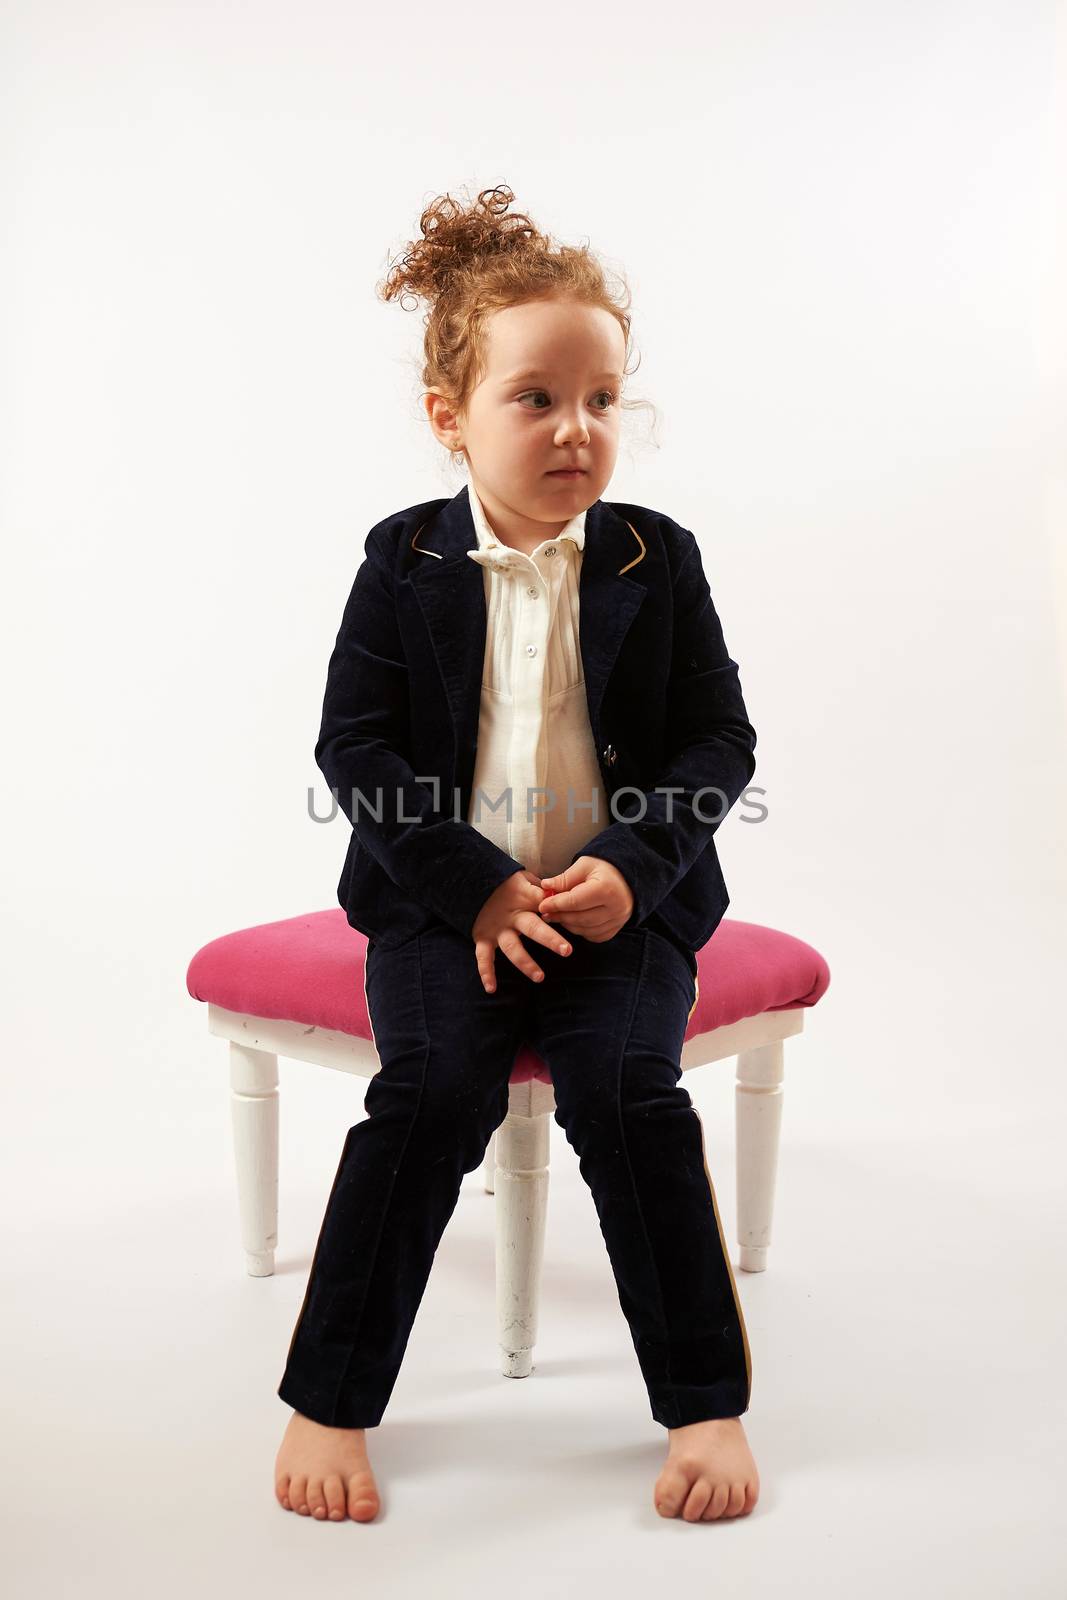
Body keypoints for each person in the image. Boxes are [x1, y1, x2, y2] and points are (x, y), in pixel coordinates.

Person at [274, 184, 760, 1525]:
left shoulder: (659, 560)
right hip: (446, 909)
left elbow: (718, 741)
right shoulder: (403, 558)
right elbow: (356, 752)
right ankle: (331, 1398)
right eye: (535, 399)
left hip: (620, 905)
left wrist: (633, 870)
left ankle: (704, 1405)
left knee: (631, 1095)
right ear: (452, 419)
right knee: (428, 1097)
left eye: (601, 399)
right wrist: (475, 891)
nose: (577, 429)